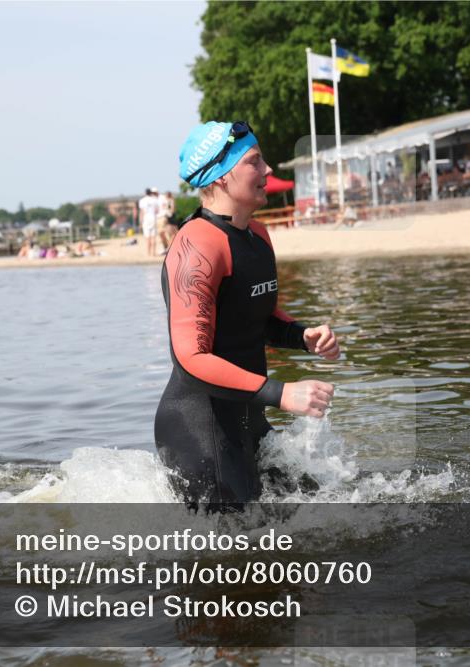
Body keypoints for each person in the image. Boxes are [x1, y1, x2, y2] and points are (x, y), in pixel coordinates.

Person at [155, 120, 340, 510]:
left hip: (248, 419)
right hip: (201, 429)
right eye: (255, 161)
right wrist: (281, 393)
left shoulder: (257, 235)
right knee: (237, 557)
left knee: (322, 506)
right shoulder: (197, 247)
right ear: (222, 177)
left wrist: (302, 336)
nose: (268, 171)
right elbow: (191, 359)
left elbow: (256, 315)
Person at [137, 187, 161, 257]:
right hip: (153, 218)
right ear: (150, 193)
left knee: (147, 237)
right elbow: (157, 211)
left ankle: (148, 253)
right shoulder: (155, 200)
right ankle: (153, 253)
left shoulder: (142, 201)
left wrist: (140, 222)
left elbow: (141, 212)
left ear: (145, 193)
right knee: (153, 236)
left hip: (146, 218)